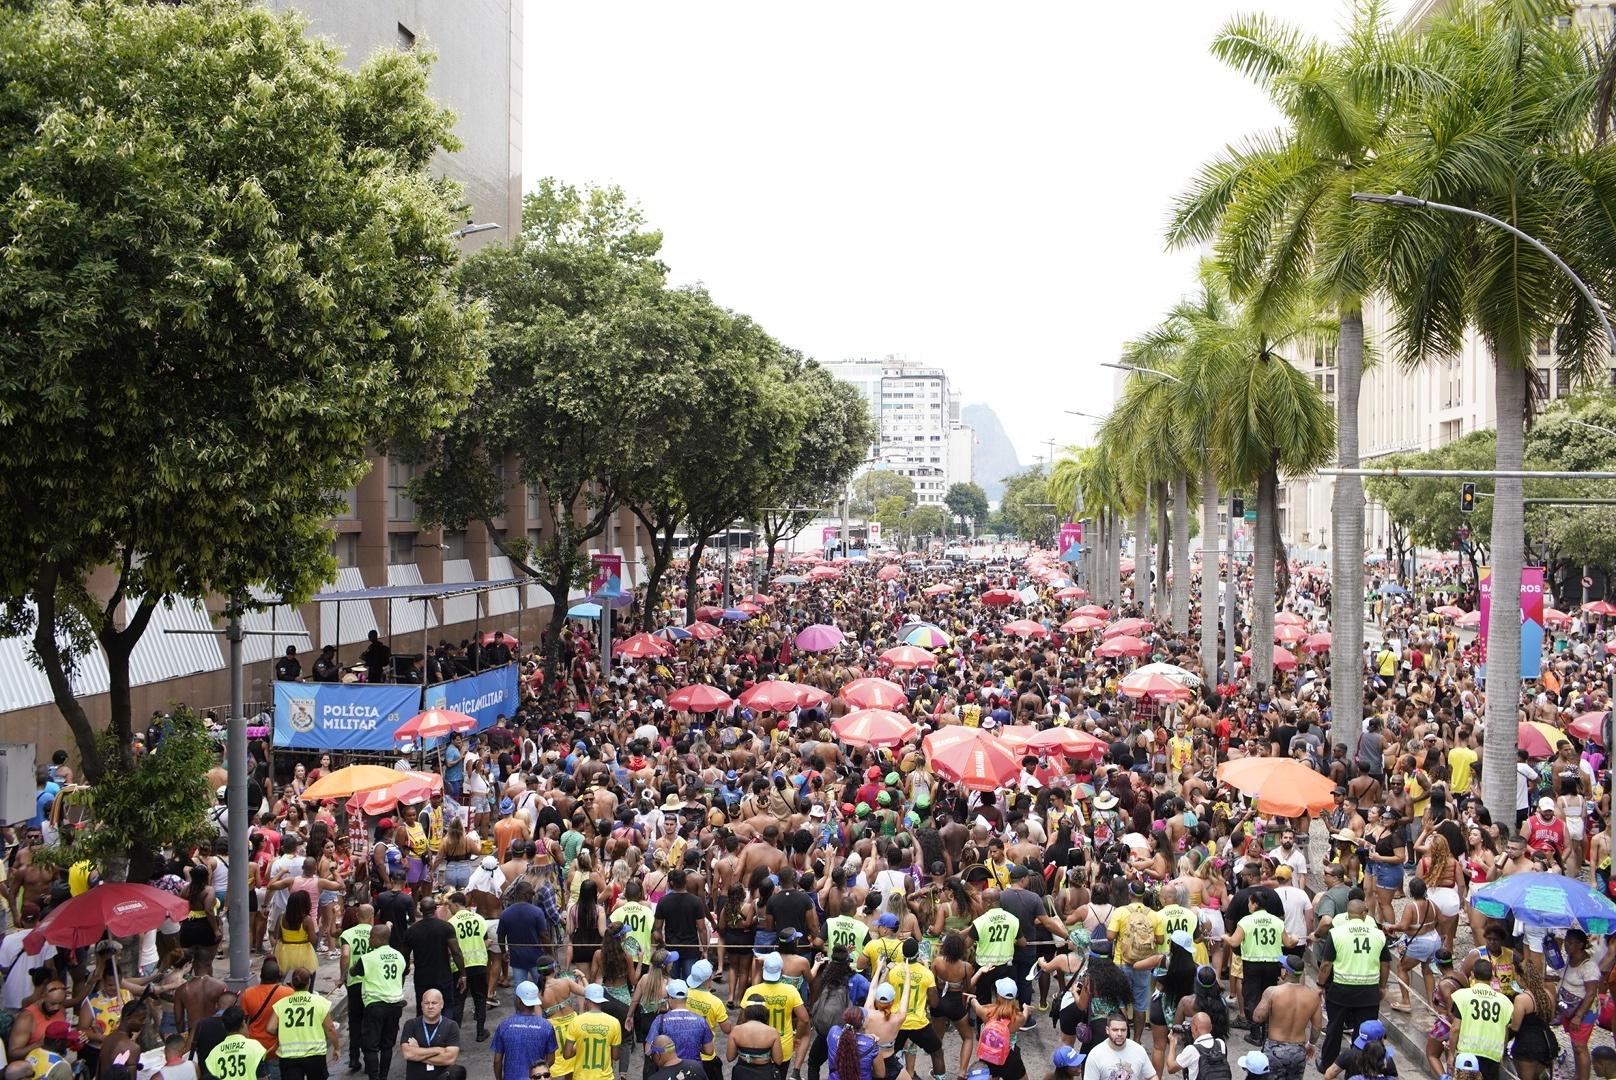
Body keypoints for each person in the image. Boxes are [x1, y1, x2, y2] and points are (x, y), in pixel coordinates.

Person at [1315, 896, 1388, 1071]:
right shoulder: (1378, 934)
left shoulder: (1337, 933)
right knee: (1364, 1033)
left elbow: (1326, 964)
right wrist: (1382, 986)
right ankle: (1359, 1068)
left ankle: (1327, 1064)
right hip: (1368, 991)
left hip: (1341, 990)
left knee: (1334, 1027)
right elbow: (1385, 963)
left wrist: (1320, 984)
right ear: (1364, 913)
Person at [352, 923, 408, 1080]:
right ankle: (383, 1077)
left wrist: (349, 970)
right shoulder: (399, 956)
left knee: (370, 1047)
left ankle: (374, 1077)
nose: (369, 940)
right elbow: (403, 973)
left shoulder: (367, 958)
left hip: (375, 1005)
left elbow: (355, 971)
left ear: (377, 938)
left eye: (371, 937)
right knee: (387, 1045)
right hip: (395, 1006)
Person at [1250, 957, 1320, 1080]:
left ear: (1285, 972)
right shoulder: (1313, 996)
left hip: (1274, 1049)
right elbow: (1317, 1027)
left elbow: (1257, 1017)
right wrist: (1312, 1044)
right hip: (1298, 1050)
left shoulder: (1272, 992)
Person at [741, 954, 809, 1078]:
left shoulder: (752, 991)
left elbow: (742, 1021)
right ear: (781, 971)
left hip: (756, 1046)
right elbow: (804, 1019)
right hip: (783, 1047)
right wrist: (797, 1038)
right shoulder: (791, 991)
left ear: (763, 970)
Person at [268, 968, 338, 1080]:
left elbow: (270, 1028)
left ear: (292, 984)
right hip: (315, 1055)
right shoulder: (320, 1002)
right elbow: (330, 1028)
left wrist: (283, 1032)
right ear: (309, 983)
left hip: (289, 1057)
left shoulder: (281, 1004)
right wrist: (337, 1048)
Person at [1450, 958, 1512, 1080]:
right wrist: (1501, 1053)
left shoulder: (1462, 996)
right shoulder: (1505, 1002)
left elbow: (1455, 1028)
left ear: (1472, 974)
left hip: (1466, 1055)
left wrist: (1451, 1054)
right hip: (1491, 1056)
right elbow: (1505, 1032)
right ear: (1492, 976)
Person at [491, 982, 559, 1080]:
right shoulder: (546, 1026)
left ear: (518, 1001)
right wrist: (540, 1075)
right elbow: (551, 1058)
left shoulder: (504, 1025)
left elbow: (497, 1060)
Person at [447, 892, 491, 1040]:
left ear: (456, 904)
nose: (449, 908)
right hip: (479, 963)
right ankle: (480, 1032)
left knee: (458, 1001)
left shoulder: (451, 922)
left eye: (449, 905)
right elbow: (484, 940)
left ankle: (454, 1037)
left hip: (460, 968)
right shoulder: (479, 918)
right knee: (480, 998)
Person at [339, 907, 377, 1073]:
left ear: (357, 916)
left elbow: (345, 955)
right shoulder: (376, 933)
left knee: (354, 1020)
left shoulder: (348, 933)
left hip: (354, 983)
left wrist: (343, 975)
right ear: (371, 917)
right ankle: (370, 1060)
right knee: (370, 1022)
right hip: (372, 983)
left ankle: (353, 1057)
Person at [400, 989, 460, 1080]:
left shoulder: (451, 1026)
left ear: (442, 1004)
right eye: (426, 1003)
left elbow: (450, 1059)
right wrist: (438, 1050)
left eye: (434, 1003)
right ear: (421, 1005)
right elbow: (408, 1054)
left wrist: (417, 1051)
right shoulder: (411, 1024)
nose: (430, 1006)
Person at [564, 987, 623, 1080]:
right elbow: (616, 1056)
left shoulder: (576, 1021)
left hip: (581, 1077)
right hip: (605, 1077)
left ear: (586, 1001)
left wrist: (578, 1047)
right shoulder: (614, 1022)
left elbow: (566, 1055)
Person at [1082, 1014, 1154, 1080]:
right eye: (1115, 1030)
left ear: (1127, 1030)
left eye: (1123, 1030)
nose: (1119, 1034)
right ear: (1107, 1030)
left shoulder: (1138, 1050)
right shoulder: (1095, 1055)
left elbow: (1152, 1076)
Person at [204, 1007, 269, 1080]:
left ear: (224, 1026)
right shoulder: (255, 1047)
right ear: (243, 1024)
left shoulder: (214, 1053)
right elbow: (262, 1077)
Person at [727, 1004, 785, 1080]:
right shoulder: (772, 1032)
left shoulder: (736, 1030)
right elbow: (778, 1060)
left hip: (742, 1074)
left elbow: (730, 1057)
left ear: (746, 1015)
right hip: (764, 1074)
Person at [96, 999, 147, 1080]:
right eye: (141, 1019)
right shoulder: (132, 1048)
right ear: (127, 1017)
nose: (144, 1023)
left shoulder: (108, 1038)